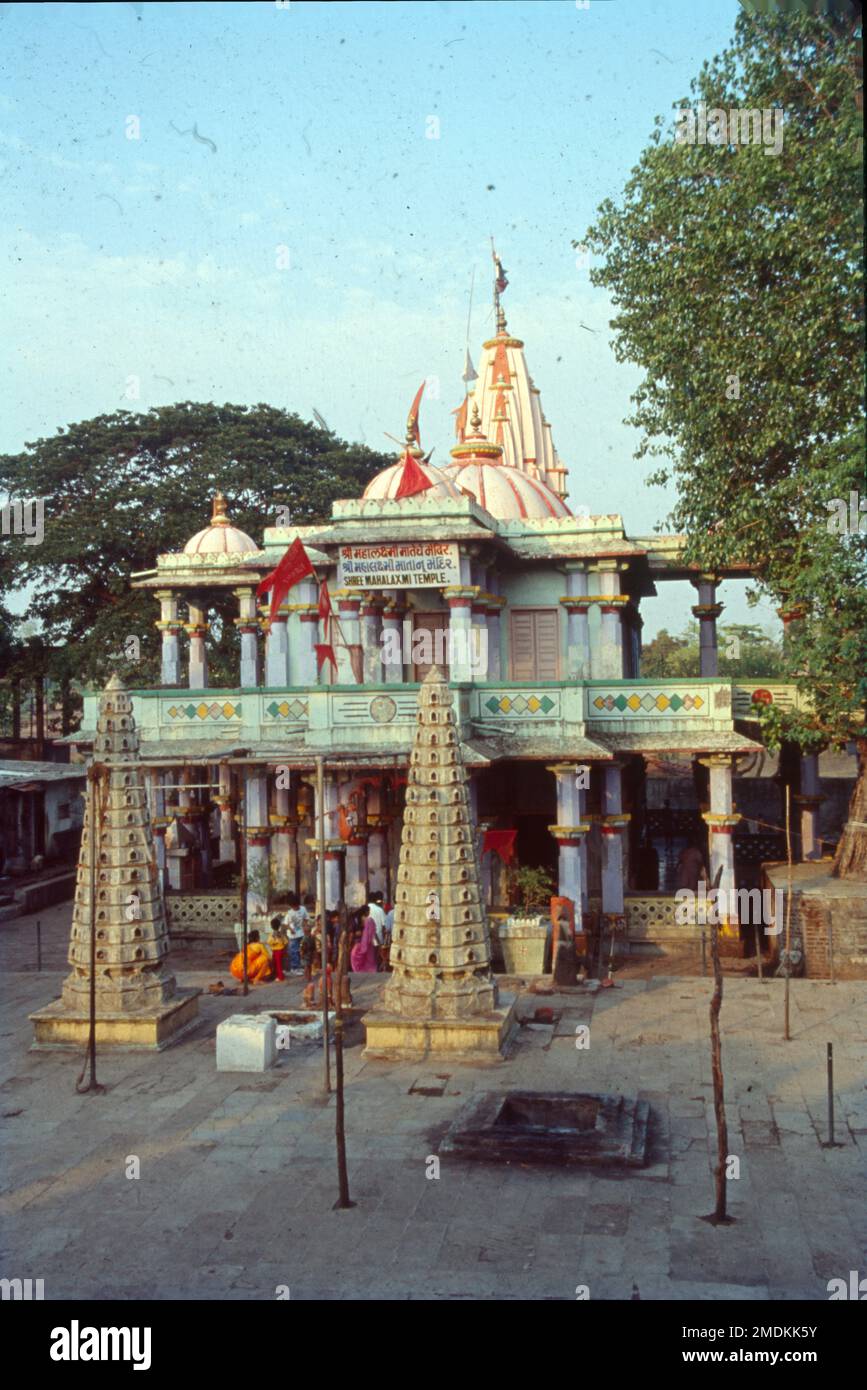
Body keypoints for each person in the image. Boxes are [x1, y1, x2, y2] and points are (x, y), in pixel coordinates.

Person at [350, 903, 378, 972]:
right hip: (367, 941)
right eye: (368, 911)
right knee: (370, 958)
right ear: (366, 911)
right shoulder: (369, 920)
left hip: (362, 941)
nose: (369, 912)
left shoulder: (358, 919)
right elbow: (370, 933)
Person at [283, 893, 306, 975]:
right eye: (292, 906)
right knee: (293, 951)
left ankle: (299, 966)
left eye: (295, 906)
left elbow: (305, 919)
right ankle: (294, 968)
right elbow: (285, 924)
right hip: (292, 936)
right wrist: (291, 929)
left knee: (300, 951)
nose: (294, 908)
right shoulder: (289, 913)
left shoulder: (303, 909)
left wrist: (305, 927)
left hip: (301, 934)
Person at [267, 915, 289, 982]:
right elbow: (286, 941)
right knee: (279, 963)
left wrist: (275, 941)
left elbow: (269, 942)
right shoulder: (281, 934)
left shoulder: (272, 934)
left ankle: (280, 977)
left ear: (271, 926)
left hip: (276, 951)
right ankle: (278, 975)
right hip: (281, 950)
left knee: (277, 964)